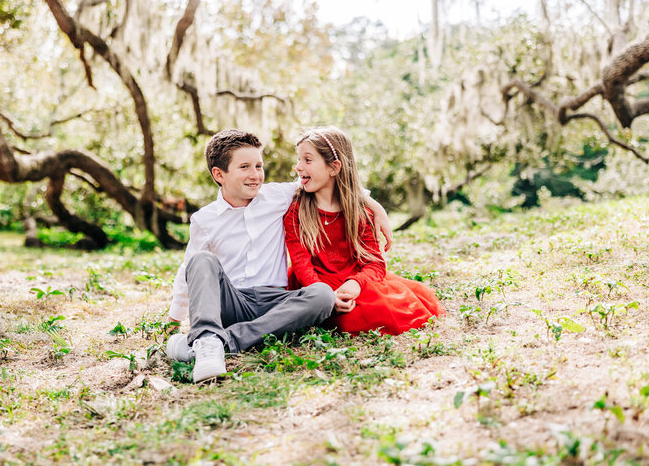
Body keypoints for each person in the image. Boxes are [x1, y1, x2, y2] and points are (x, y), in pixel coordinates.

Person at [165, 129, 393, 383]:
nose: (255, 174)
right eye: (244, 167)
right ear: (219, 174)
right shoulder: (204, 219)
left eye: (258, 165)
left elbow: (331, 180)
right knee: (200, 260)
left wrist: (376, 207)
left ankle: (219, 342)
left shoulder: (279, 196)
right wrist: (174, 318)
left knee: (322, 295)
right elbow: (188, 271)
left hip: (275, 301)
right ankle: (207, 341)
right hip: (231, 301)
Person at [284, 126, 445, 336]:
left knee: (385, 310)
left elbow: (375, 263)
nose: (298, 167)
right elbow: (301, 264)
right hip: (315, 284)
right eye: (298, 159)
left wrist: (356, 284)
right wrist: (326, 296)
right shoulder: (296, 212)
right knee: (340, 318)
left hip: (354, 280)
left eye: (307, 160)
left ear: (334, 167)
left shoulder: (359, 212)